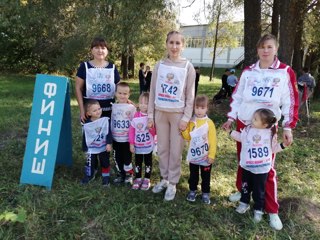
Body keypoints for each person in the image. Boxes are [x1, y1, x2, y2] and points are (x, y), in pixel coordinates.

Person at [222, 33, 299, 230]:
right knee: (244, 161)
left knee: (266, 168)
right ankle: (243, 192)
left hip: (266, 129)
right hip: (245, 124)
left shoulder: (284, 72)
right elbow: (237, 97)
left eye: (269, 47)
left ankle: (272, 209)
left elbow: (290, 101)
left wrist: (288, 127)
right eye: (262, 47)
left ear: (276, 49)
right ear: (257, 50)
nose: (265, 50)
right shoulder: (248, 72)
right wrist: (231, 118)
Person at [148, 30, 196, 201]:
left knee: (176, 150)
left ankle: (173, 182)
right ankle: (164, 178)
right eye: (171, 42)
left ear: (182, 46)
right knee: (162, 148)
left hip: (178, 115)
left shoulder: (187, 66)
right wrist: (150, 115)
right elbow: (152, 91)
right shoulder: (159, 65)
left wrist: (186, 118)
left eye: (178, 43)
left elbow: (190, 95)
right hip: (160, 112)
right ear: (166, 44)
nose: (174, 46)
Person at [227, 108, 288, 224]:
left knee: (258, 191)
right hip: (247, 167)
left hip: (261, 170)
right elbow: (241, 138)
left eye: (255, 119)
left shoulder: (270, 134)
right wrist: (230, 132)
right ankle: (244, 204)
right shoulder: (248, 130)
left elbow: (274, 149)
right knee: (245, 187)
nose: (252, 120)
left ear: (264, 124)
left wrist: (283, 145)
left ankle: (258, 210)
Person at [181, 95, 217, 204]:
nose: (199, 110)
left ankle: (205, 192)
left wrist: (211, 155)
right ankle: (192, 190)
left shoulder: (209, 123)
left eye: (202, 108)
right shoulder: (191, 121)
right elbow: (187, 137)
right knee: (193, 175)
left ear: (207, 108)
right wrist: (184, 129)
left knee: (206, 176)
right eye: (197, 107)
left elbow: (213, 140)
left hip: (205, 157)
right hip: (194, 156)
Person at [75, 37, 121, 121]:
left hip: (109, 110)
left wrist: (125, 101)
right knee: (91, 133)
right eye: (96, 48)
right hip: (90, 112)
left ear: (107, 51)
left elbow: (120, 88)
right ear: (91, 50)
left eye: (103, 48)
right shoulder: (84, 67)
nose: (100, 51)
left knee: (109, 134)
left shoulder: (112, 67)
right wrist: (82, 110)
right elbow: (78, 88)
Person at [81, 100, 112, 186]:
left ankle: (106, 177)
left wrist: (109, 143)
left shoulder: (105, 121)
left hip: (103, 146)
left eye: (99, 108)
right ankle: (89, 175)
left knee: (105, 162)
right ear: (89, 113)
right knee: (90, 162)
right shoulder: (87, 124)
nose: (98, 111)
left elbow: (108, 133)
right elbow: (85, 136)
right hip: (91, 148)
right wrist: (85, 147)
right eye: (95, 110)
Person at [129, 92, 156, 190]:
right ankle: (138, 178)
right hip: (138, 145)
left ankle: (147, 179)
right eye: (141, 102)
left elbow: (154, 132)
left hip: (148, 145)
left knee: (148, 161)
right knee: (138, 161)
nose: (143, 105)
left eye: (146, 103)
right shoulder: (136, 115)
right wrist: (131, 143)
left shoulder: (152, 117)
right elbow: (132, 131)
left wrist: (151, 127)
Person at [111, 82, 136, 184]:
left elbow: (134, 123)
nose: (122, 95)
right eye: (120, 93)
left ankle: (129, 174)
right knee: (117, 157)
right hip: (116, 138)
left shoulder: (131, 108)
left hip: (126, 139)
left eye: (125, 94)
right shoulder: (112, 107)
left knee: (127, 158)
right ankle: (120, 174)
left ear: (129, 95)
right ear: (115, 93)